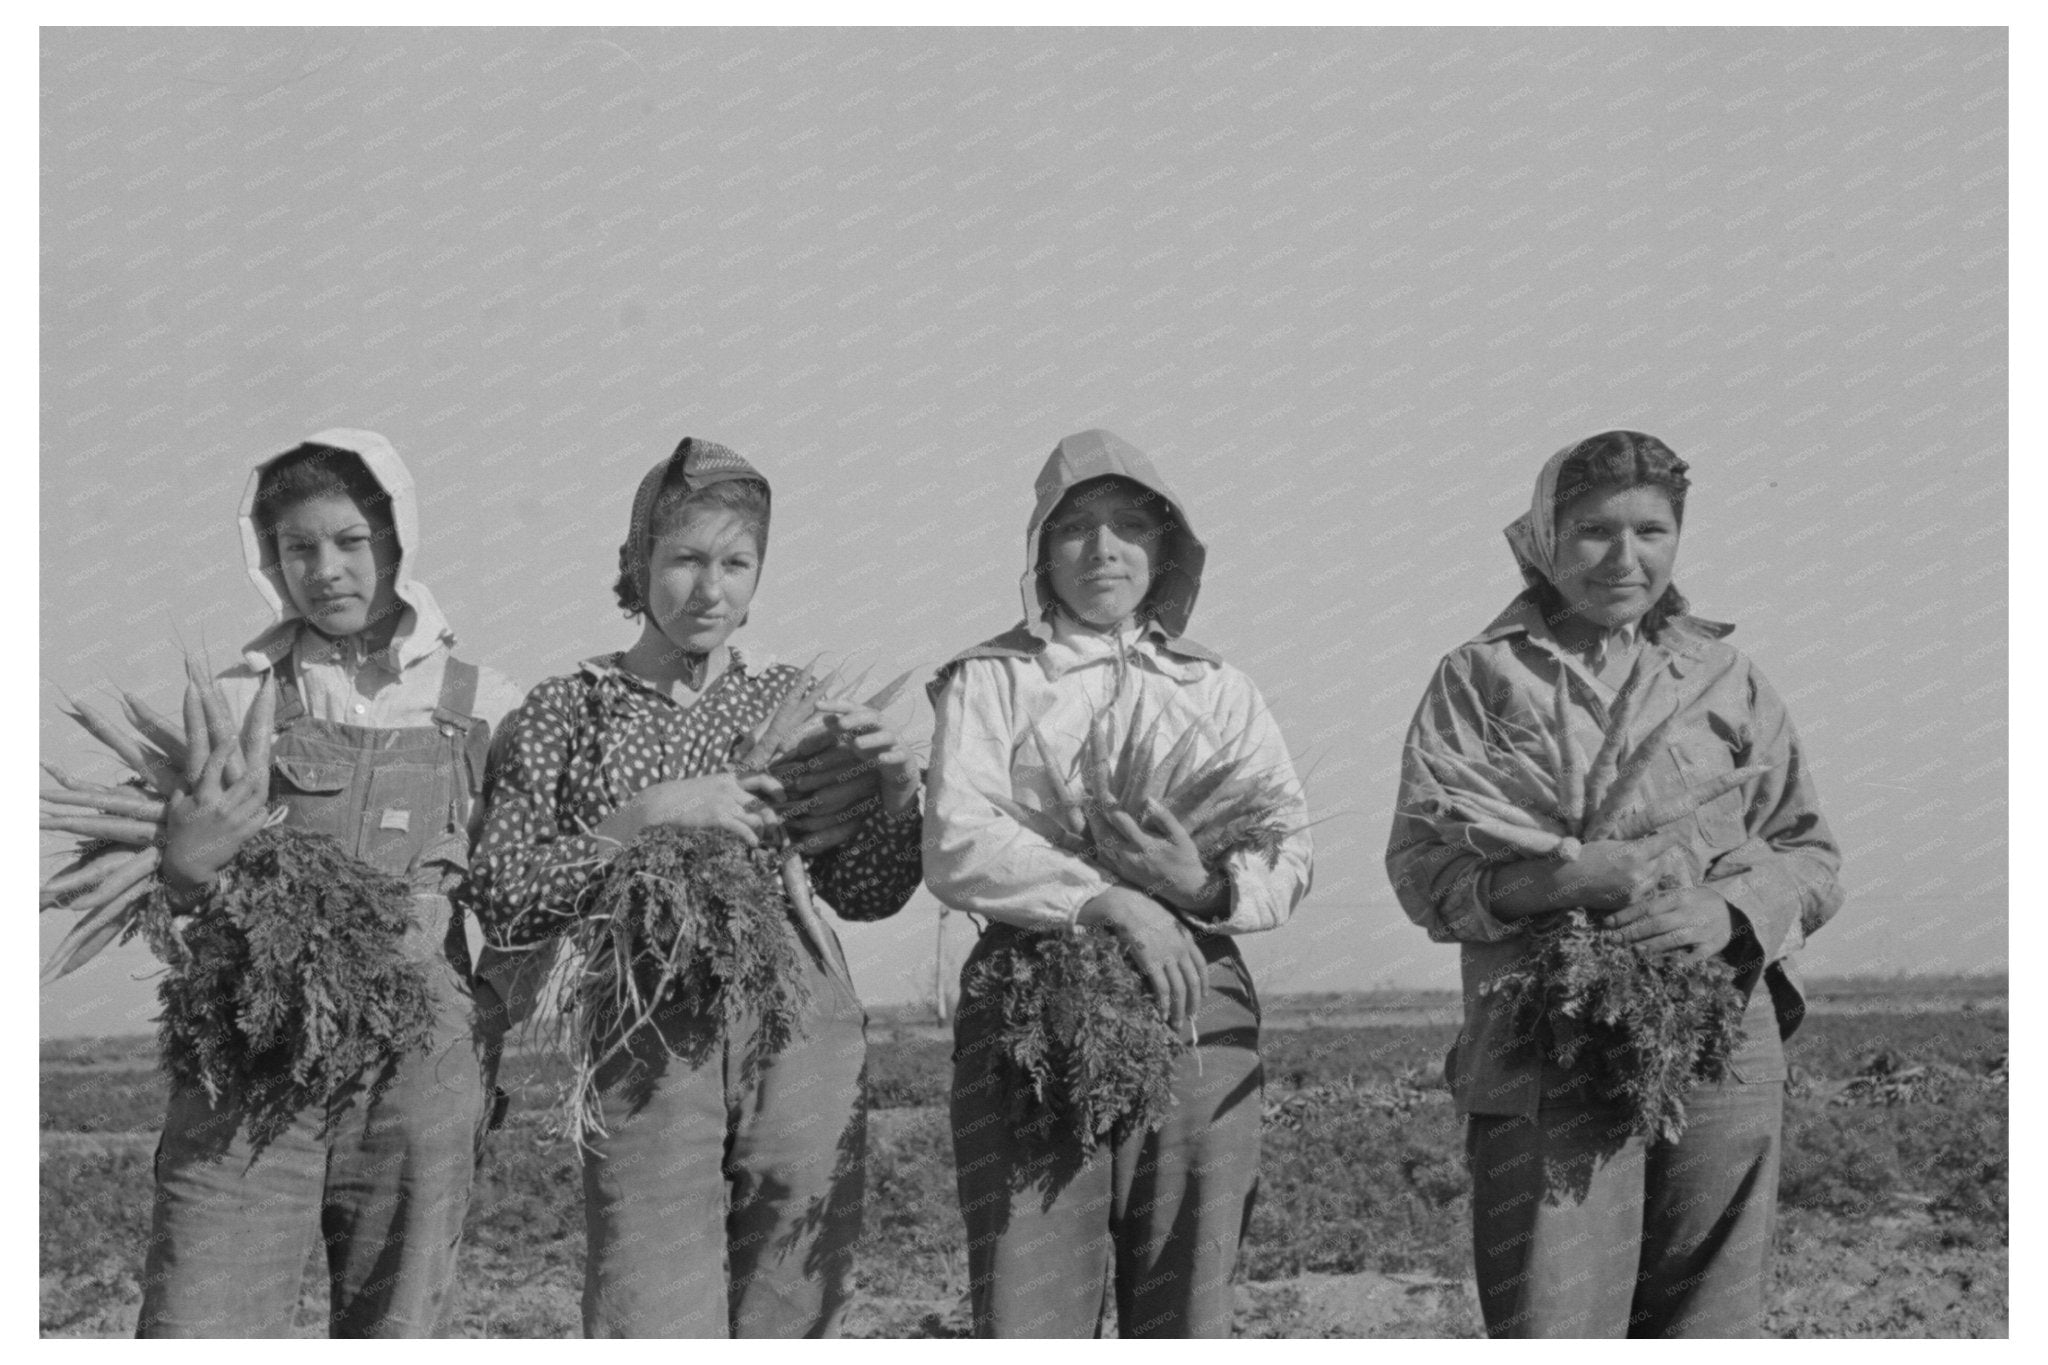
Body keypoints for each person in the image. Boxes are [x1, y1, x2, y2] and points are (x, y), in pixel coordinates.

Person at [1386, 429, 1844, 1338]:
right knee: (1558, 1312)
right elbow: (1422, 870)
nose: (1624, 557)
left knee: (1709, 1314)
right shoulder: (1480, 678)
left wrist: (1728, 909)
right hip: (1547, 1027)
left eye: (1651, 530)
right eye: (1595, 530)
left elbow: (1811, 855)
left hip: (1722, 1031)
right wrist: (1558, 881)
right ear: (1547, 534)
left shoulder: (1725, 676)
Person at [467, 436, 924, 1338]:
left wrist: (899, 791)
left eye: (734, 562)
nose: (708, 588)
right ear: (636, 563)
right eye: (683, 559)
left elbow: (867, 891)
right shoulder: (566, 709)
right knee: (648, 1301)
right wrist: (650, 813)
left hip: (795, 1013)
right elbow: (505, 891)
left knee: (796, 1284)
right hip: (642, 1020)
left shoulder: (793, 702)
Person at [924, 429, 1313, 1338]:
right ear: (1038, 552)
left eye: (1131, 526)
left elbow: (1289, 851)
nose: (1103, 550)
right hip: (1032, 992)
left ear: (1166, 548)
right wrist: (1102, 898)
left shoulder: (1218, 688)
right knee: (1032, 1288)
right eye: (1076, 528)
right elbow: (955, 838)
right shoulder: (993, 677)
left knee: (1188, 1282)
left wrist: (1205, 883)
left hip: (1194, 990)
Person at [137, 430, 525, 1337]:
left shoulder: (482, 699)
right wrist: (184, 869)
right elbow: (166, 903)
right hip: (248, 1045)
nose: (327, 569)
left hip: (418, 1058)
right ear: (267, 559)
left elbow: (523, 888)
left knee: (395, 1323)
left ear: (398, 538)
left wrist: (490, 1014)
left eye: (352, 541)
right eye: (297, 547)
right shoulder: (237, 697)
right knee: (202, 1316)